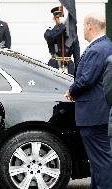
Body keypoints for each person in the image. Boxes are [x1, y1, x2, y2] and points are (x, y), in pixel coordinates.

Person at [64, 13, 112, 189]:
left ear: (90, 26)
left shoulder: (96, 49)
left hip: (94, 115)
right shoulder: (106, 45)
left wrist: (71, 91)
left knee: (101, 161)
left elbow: (86, 80)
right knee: (98, 161)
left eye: (83, 26)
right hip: (100, 113)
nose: (82, 29)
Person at [44, 6, 79, 75]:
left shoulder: (72, 34)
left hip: (69, 65)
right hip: (54, 64)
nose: (60, 19)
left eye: (62, 17)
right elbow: (49, 37)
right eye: (58, 17)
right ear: (54, 19)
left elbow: (77, 56)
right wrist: (61, 26)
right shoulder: (50, 31)